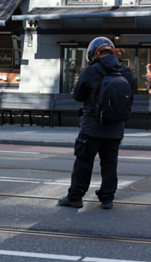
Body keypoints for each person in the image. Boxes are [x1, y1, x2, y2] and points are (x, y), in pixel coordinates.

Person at [58, 37, 136, 210]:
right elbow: (131, 96)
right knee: (110, 163)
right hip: (116, 127)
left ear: (93, 53)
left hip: (92, 127)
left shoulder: (91, 71)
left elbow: (78, 95)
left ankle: (75, 197)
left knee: (83, 162)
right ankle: (107, 198)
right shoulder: (126, 71)